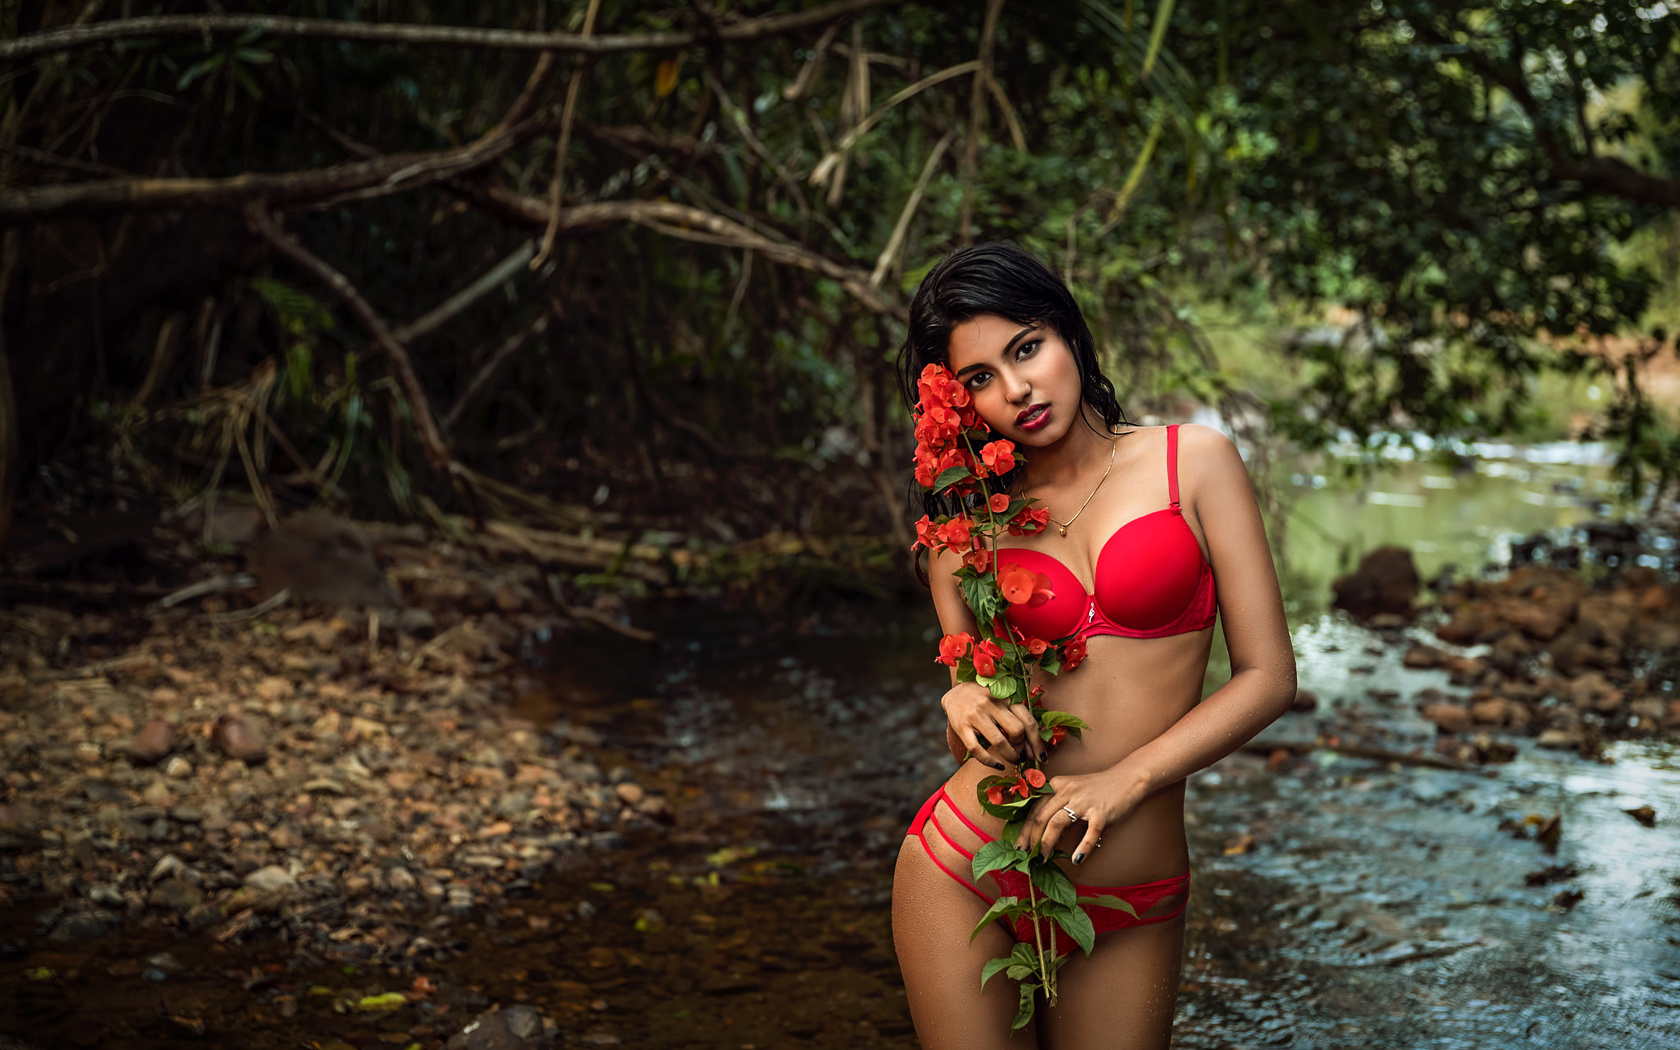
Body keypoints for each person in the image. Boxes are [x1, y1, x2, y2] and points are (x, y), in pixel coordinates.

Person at [891, 243, 1296, 1050]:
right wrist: (962, 697)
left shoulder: (1194, 463)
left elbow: (1270, 678)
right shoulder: (966, 530)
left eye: (1026, 348)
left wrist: (1122, 781)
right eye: (979, 378)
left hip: (1131, 890)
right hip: (970, 867)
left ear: (1069, 332)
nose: (1016, 390)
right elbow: (978, 708)